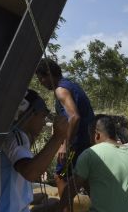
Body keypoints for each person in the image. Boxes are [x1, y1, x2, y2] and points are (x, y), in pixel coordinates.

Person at [35, 58, 95, 200]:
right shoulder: (70, 85)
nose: (41, 82)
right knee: (84, 177)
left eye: (41, 78)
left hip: (75, 145)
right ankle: (99, 210)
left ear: (48, 75)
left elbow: (74, 117)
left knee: (60, 176)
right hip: (87, 141)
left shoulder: (61, 90)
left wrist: (65, 145)